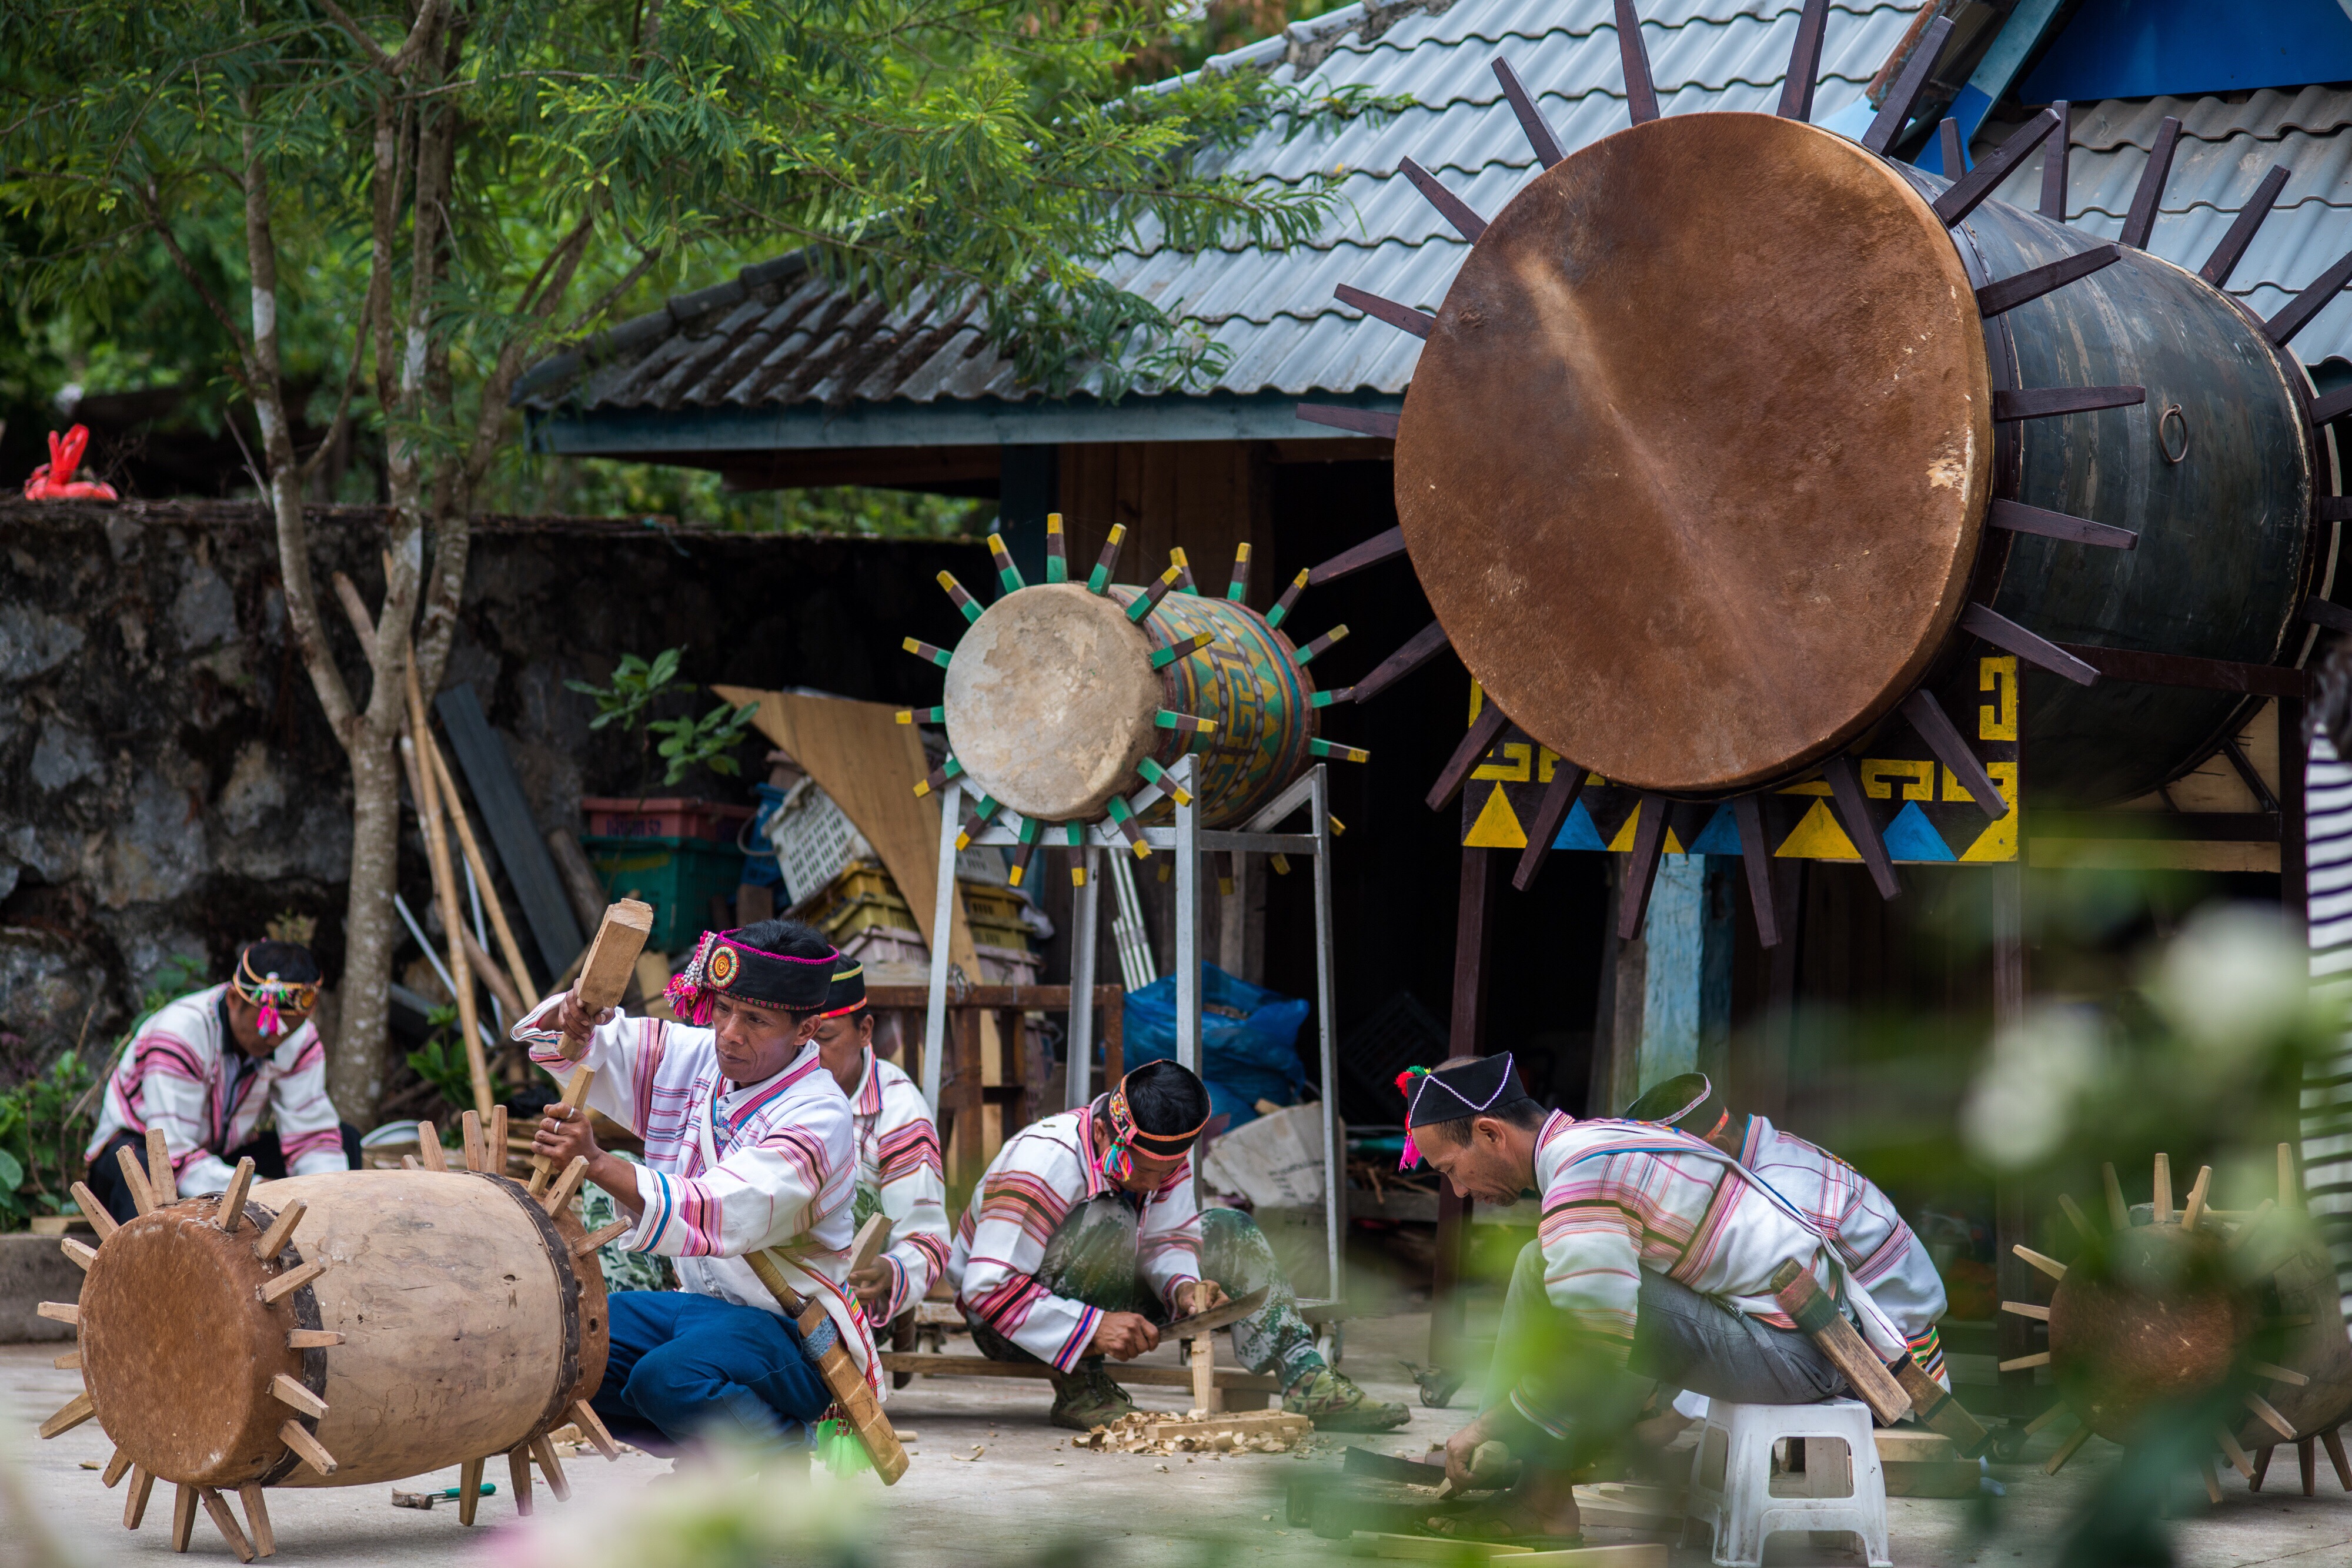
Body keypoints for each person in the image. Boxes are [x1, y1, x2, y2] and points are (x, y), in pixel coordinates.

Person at [1407, 1054, 1913, 1546]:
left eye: (1452, 1168)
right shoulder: (1596, 1140)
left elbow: (1596, 1342)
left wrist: (1490, 1424)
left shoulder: (1580, 1174)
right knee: (1544, 1262)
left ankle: (1539, 1498)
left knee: (1574, 1300)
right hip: (1808, 1341)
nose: (1457, 1188)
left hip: (1799, 1354)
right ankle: (1527, 1480)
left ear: (1491, 1133)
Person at [516, 918, 880, 1462]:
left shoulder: (819, 1116)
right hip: (700, 1312)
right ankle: (716, 1455)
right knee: (567, 1348)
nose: (730, 1032)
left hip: (792, 1334)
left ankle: (780, 1445)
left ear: (805, 1031)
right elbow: (582, 1047)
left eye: (756, 1019)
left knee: (665, 1379)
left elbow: (721, 1209)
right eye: (723, 1009)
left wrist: (596, 1161)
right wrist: (578, 1015)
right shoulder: (698, 1056)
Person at [946, 1057, 1406, 1431]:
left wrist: (1185, 1286)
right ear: (1105, 1132)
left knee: (1230, 1226)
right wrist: (1092, 1328)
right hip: (1007, 1325)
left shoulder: (1159, 1157)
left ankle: (1307, 1377)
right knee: (1112, 1214)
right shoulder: (1043, 1161)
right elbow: (987, 1291)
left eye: (1165, 1172)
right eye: (1143, 1171)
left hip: (1101, 1300)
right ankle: (1082, 1387)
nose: (1154, 1184)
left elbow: (1169, 1237)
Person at [1623, 1071, 1948, 1385]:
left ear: (1719, 1149)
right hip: (1853, 1331)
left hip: (1890, 1358)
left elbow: (1766, 1307)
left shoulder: (1784, 1183)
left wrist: (1673, 1422)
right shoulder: (1763, 1154)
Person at [83, 940, 355, 1222]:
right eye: (268, 1028)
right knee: (144, 1170)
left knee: (343, 1142)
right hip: (139, 1158)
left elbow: (312, 1137)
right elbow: (172, 1155)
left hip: (216, 1156)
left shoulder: (298, 1039)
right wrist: (265, 1195)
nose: (277, 1039)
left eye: (288, 1031)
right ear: (234, 999)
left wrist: (326, 1199)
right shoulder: (179, 1033)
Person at [808, 957, 950, 1325]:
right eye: (800, 1039)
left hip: (849, 1303)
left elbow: (927, 1238)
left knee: (847, 1195)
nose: (810, 1054)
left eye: (824, 1038)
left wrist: (889, 1272)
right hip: (764, 1287)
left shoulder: (899, 1109)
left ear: (865, 1030)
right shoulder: (773, 1086)